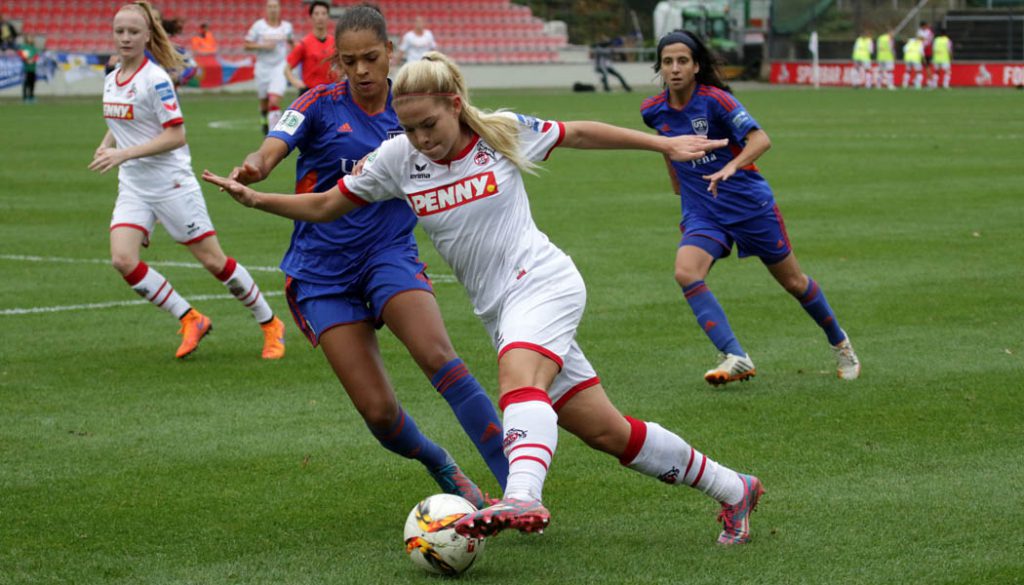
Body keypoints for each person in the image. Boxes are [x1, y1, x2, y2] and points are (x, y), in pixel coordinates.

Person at [203, 50, 765, 546]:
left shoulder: (500, 130)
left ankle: (520, 494)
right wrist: (257, 200)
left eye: (429, 124)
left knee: (518, 381)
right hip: (501, 309)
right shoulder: (398, 158)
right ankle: (734, 487)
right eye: (409, 128)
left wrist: (662, 144)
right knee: (605, 430)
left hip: (544, 282)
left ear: (453, 103)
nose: (421, 138)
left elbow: (580, 132)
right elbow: (327, 205)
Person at [225, 5, 507, 502]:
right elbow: (272, 147)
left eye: (371, 58)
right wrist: (255, 165)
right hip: (321, 273)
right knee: (378, 413)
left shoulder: (415, 107)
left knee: (440, 358)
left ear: (390, 52)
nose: (361, 71)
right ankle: (439, 462)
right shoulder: (316, 103)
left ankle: (518, 487)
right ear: (336, 60)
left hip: (388, 254)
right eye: (349, 61)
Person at [641, 31, 861, 386]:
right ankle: (735, 355)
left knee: (794, 282)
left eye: (683, 61)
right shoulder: (652, 110)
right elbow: (670, 146)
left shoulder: (716, 101)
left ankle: (841, 343)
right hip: (703, 210)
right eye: (668, 62)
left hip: (748, 205)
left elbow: (761, 139)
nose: (675, 68)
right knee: (686, 272)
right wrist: (678, 185)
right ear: (660, 67)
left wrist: (733, 165)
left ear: (697, 66)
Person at [91, 1, 286, 361]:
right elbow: (119, 122)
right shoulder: (112, 75)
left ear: (148, 35)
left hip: (171, 184)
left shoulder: (155, 79)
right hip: (134, 185)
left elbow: (176, 136)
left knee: (215, 263)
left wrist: (121, 154)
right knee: (122, 259)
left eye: (133, 32)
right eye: (120, 31)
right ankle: (190, 317)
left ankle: (270, 323)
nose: (125, 38)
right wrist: (107, 145)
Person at [245, 0, 293, 134]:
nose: (273, 9)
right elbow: (247, 45)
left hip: (280, 67)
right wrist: (263, 46)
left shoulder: (287, 27)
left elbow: (292, 43)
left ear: (279, 9)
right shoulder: (258, 26)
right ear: (266, 9)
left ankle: (275, 132)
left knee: (274, 100)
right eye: (270, 7)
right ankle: (263, 118)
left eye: (275, 7)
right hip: (262, 67)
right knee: (264, 101)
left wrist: (295, 59)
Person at [284, 0, 335, 95]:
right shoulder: (304, 43)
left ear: (328, 17)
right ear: (311, 17)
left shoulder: (335, 43)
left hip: (330, 93)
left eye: (323, 13)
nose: (320, 17)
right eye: (316, 14)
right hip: (309, 93)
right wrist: (296, 82)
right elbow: (287, 69)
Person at [18, 35, 39, 103]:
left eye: (31, 38)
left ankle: (31, 96)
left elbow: (37, 55)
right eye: (29, 38)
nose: (30, 39)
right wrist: (27, 60)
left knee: (32, 83)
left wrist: (33, 60)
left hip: (33, 68)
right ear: (26, 39)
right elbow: (21, 54)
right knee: (26, 83)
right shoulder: (24, 47)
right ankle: (25, 97)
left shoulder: (33, 47)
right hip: (26, 68)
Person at [916, 21, 934, 89]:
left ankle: (930, 83)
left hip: (927, 50)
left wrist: (922, 39)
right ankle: (918, 83)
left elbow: (928, 40)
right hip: (920, 50)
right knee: (919, 66)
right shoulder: (919, 31)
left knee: (927, 66)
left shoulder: (929, 32)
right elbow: (919, 39)